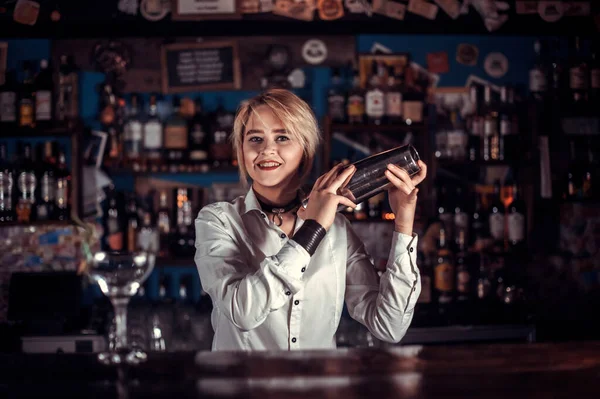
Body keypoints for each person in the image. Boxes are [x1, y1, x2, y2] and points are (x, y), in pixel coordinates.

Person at [194, 89, 427, 351]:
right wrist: (313, 229)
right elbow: (242, 312)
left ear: (305, 150)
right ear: (242, 151)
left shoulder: (338, 229)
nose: (267, 149)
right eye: (255, 139)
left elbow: (389, 326)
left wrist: (404, 223)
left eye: (282, 137)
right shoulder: (218, 221)